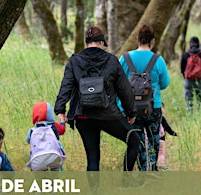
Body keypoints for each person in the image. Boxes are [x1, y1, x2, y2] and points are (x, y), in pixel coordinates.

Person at [55, 26, 140, 171]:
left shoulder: (74, 61)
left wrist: (60, 110)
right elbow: (124, 89)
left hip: (83, 116)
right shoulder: (112, 61)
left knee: (92, 158)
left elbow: (66, 86)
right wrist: (131, 112)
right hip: (108, 115)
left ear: (86, 43)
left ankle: (94, 194)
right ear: (101, 43)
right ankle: (126, 182)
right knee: (134, 140)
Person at [119, 24, 170, 171]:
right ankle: (153, 169)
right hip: (153, 107)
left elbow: (119, 82)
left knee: (138, 140)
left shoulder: (125, 58)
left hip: (132, 108)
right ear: (152, 41)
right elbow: (165, 83)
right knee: (154, 139)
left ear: (137, 39)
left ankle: (142, 170)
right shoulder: (158, 60)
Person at [26, 101, 66, 171]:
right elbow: (62, 130)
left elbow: (28, 140)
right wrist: (62, 121)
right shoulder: (54, 127)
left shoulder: (32, 131)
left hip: (38, 158)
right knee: (55, 166)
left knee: (39, 173)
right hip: (54, 156)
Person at [180, 36, 201, 111]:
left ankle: (189, 113)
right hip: (200, 79)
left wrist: (185, 76)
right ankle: (200, 113)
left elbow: (182, 68)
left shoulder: (185, 54)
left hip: (188, 80)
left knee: (188, 98)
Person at [156, 103, 177, 169]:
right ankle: (160, 165)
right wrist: (174, 133)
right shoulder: (161, 117)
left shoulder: (150, 116)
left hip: (151, 138)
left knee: (152, 152)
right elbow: (167, 128)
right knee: (161, 152)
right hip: (161, 138)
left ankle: (153, 165)